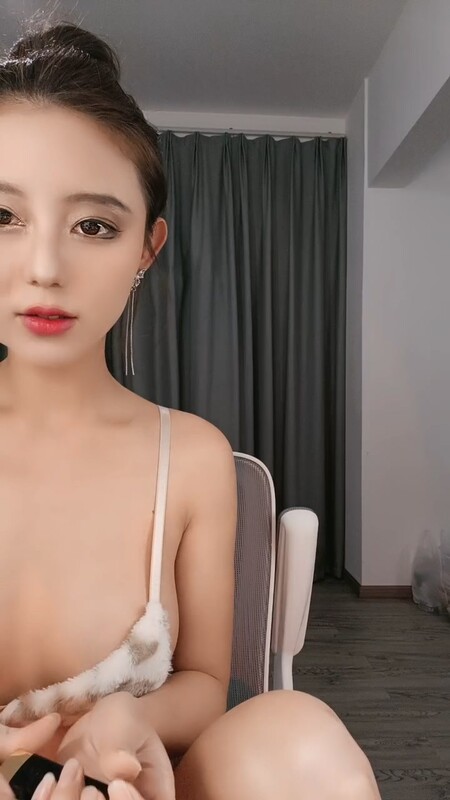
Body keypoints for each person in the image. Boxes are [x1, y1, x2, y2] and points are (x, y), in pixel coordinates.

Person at [0, 17, 381, 800]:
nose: (44, 267)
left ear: (147, 248)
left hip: (133, 783)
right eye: (2, 217)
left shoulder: (194, 458)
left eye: (94, 225)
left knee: (301, 744)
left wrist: (129, 719)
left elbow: (208, 681)